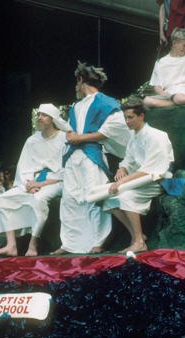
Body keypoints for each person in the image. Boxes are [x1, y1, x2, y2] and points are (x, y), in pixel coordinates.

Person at [56, 61, 130, 254]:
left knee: (94, 196)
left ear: (81, 80)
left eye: (76, 82)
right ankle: (69, 243)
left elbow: (112, 130)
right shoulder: (75, 106)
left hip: (91, 155)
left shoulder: (106, 102)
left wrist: (81, 137)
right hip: (73, 157)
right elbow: (72, 130)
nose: (75, 87)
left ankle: (98, 241)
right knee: (70, 198)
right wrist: (70, 135)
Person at [0, 103, 69, 257]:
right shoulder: (32, 140)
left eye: (44, 115)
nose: (39, 117)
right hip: (31, 182)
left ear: (53, 119)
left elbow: (66, 171)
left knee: (39, 199)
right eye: (38, 114)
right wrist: (29, 184)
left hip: (56, 182)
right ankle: (11, 245)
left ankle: (33, 244)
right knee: (2, 199)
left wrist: (40, 184)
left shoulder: (64, 139)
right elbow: (24, 166)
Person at [103, 98, 174, 254]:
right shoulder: (133, 137)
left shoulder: (157, 136)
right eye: (125, 118)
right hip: (140, 180)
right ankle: (138, 235)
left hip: (159, 180)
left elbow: (151, 168)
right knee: (109, 199)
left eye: (130, 117)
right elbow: (128, 159)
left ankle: (140, 243)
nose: (127, 121)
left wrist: (124, 181)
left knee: (125, 196)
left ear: (141, 116)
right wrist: (122, 168)